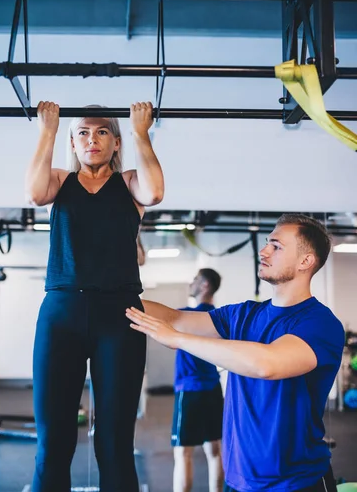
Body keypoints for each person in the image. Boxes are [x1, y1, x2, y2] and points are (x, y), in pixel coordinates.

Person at [126, 214, 344, 492]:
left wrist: (179, 340)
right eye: (267, 243)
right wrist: (112, 297)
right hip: (239, 482)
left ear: (305, 261)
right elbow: (174, 318)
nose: (264, 251)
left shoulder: (319, 323)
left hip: (296, 483)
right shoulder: (243, 314)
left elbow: (268, 363)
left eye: (276, 246)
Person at [25, 100, 164, 492]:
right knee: (53, 443)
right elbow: (35, 194)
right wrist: (48, 132)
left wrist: (141, 132)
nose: (92, 139)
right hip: (62, 312)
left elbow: (155, 192)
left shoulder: (130, 184)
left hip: (119, 316)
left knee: (115, 442)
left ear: (115, 143)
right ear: (74, 142)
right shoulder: (59, 181)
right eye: (83, 132)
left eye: (102, 132)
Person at [172, 268, 224, 492]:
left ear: (205, 285)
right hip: (212, 388)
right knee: (214, 450)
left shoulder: (187, 316)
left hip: (190, 390)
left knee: (183, 453)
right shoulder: (219, 317)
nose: (191, 283)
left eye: (195, 280)